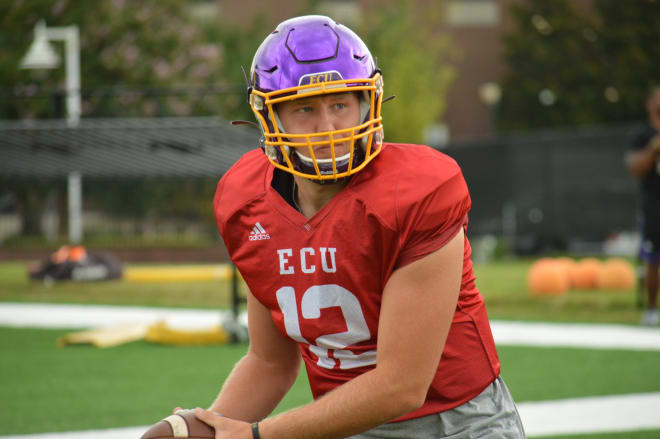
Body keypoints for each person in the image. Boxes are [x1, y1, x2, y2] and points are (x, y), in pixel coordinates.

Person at [188, 15, 525, 438]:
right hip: (343, 422)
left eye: (340, 105)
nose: (327, 127)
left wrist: (257, 436)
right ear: (270, 117)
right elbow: (270, 362)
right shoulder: (247, 201)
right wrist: (212, 427)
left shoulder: (416, 191)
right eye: (305, 108)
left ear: (368, 104)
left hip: (455, 423)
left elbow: (401, 386)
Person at [626, 86, 660, 326]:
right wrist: (653, 148)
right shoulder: (643, 135)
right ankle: (651, 309)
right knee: (653, 258)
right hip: (654, 203)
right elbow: (634, 167)